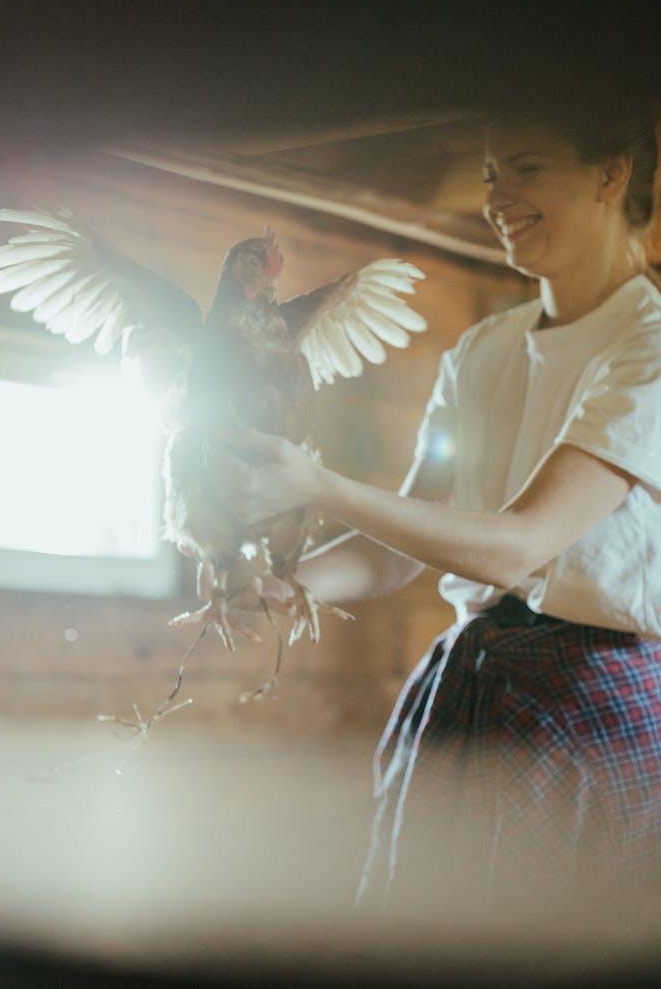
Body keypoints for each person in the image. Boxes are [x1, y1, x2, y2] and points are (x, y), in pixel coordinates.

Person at [217, 89, 661, 932]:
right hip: (471, 694)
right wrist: (288, 579)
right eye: (492, 174)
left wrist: (315, 484)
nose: (496, 199)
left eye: (527, 169)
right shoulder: (481, 351)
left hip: (591, 711)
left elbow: (520, 543)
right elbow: (401, 544)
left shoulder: (650, 343)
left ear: (613, 172)